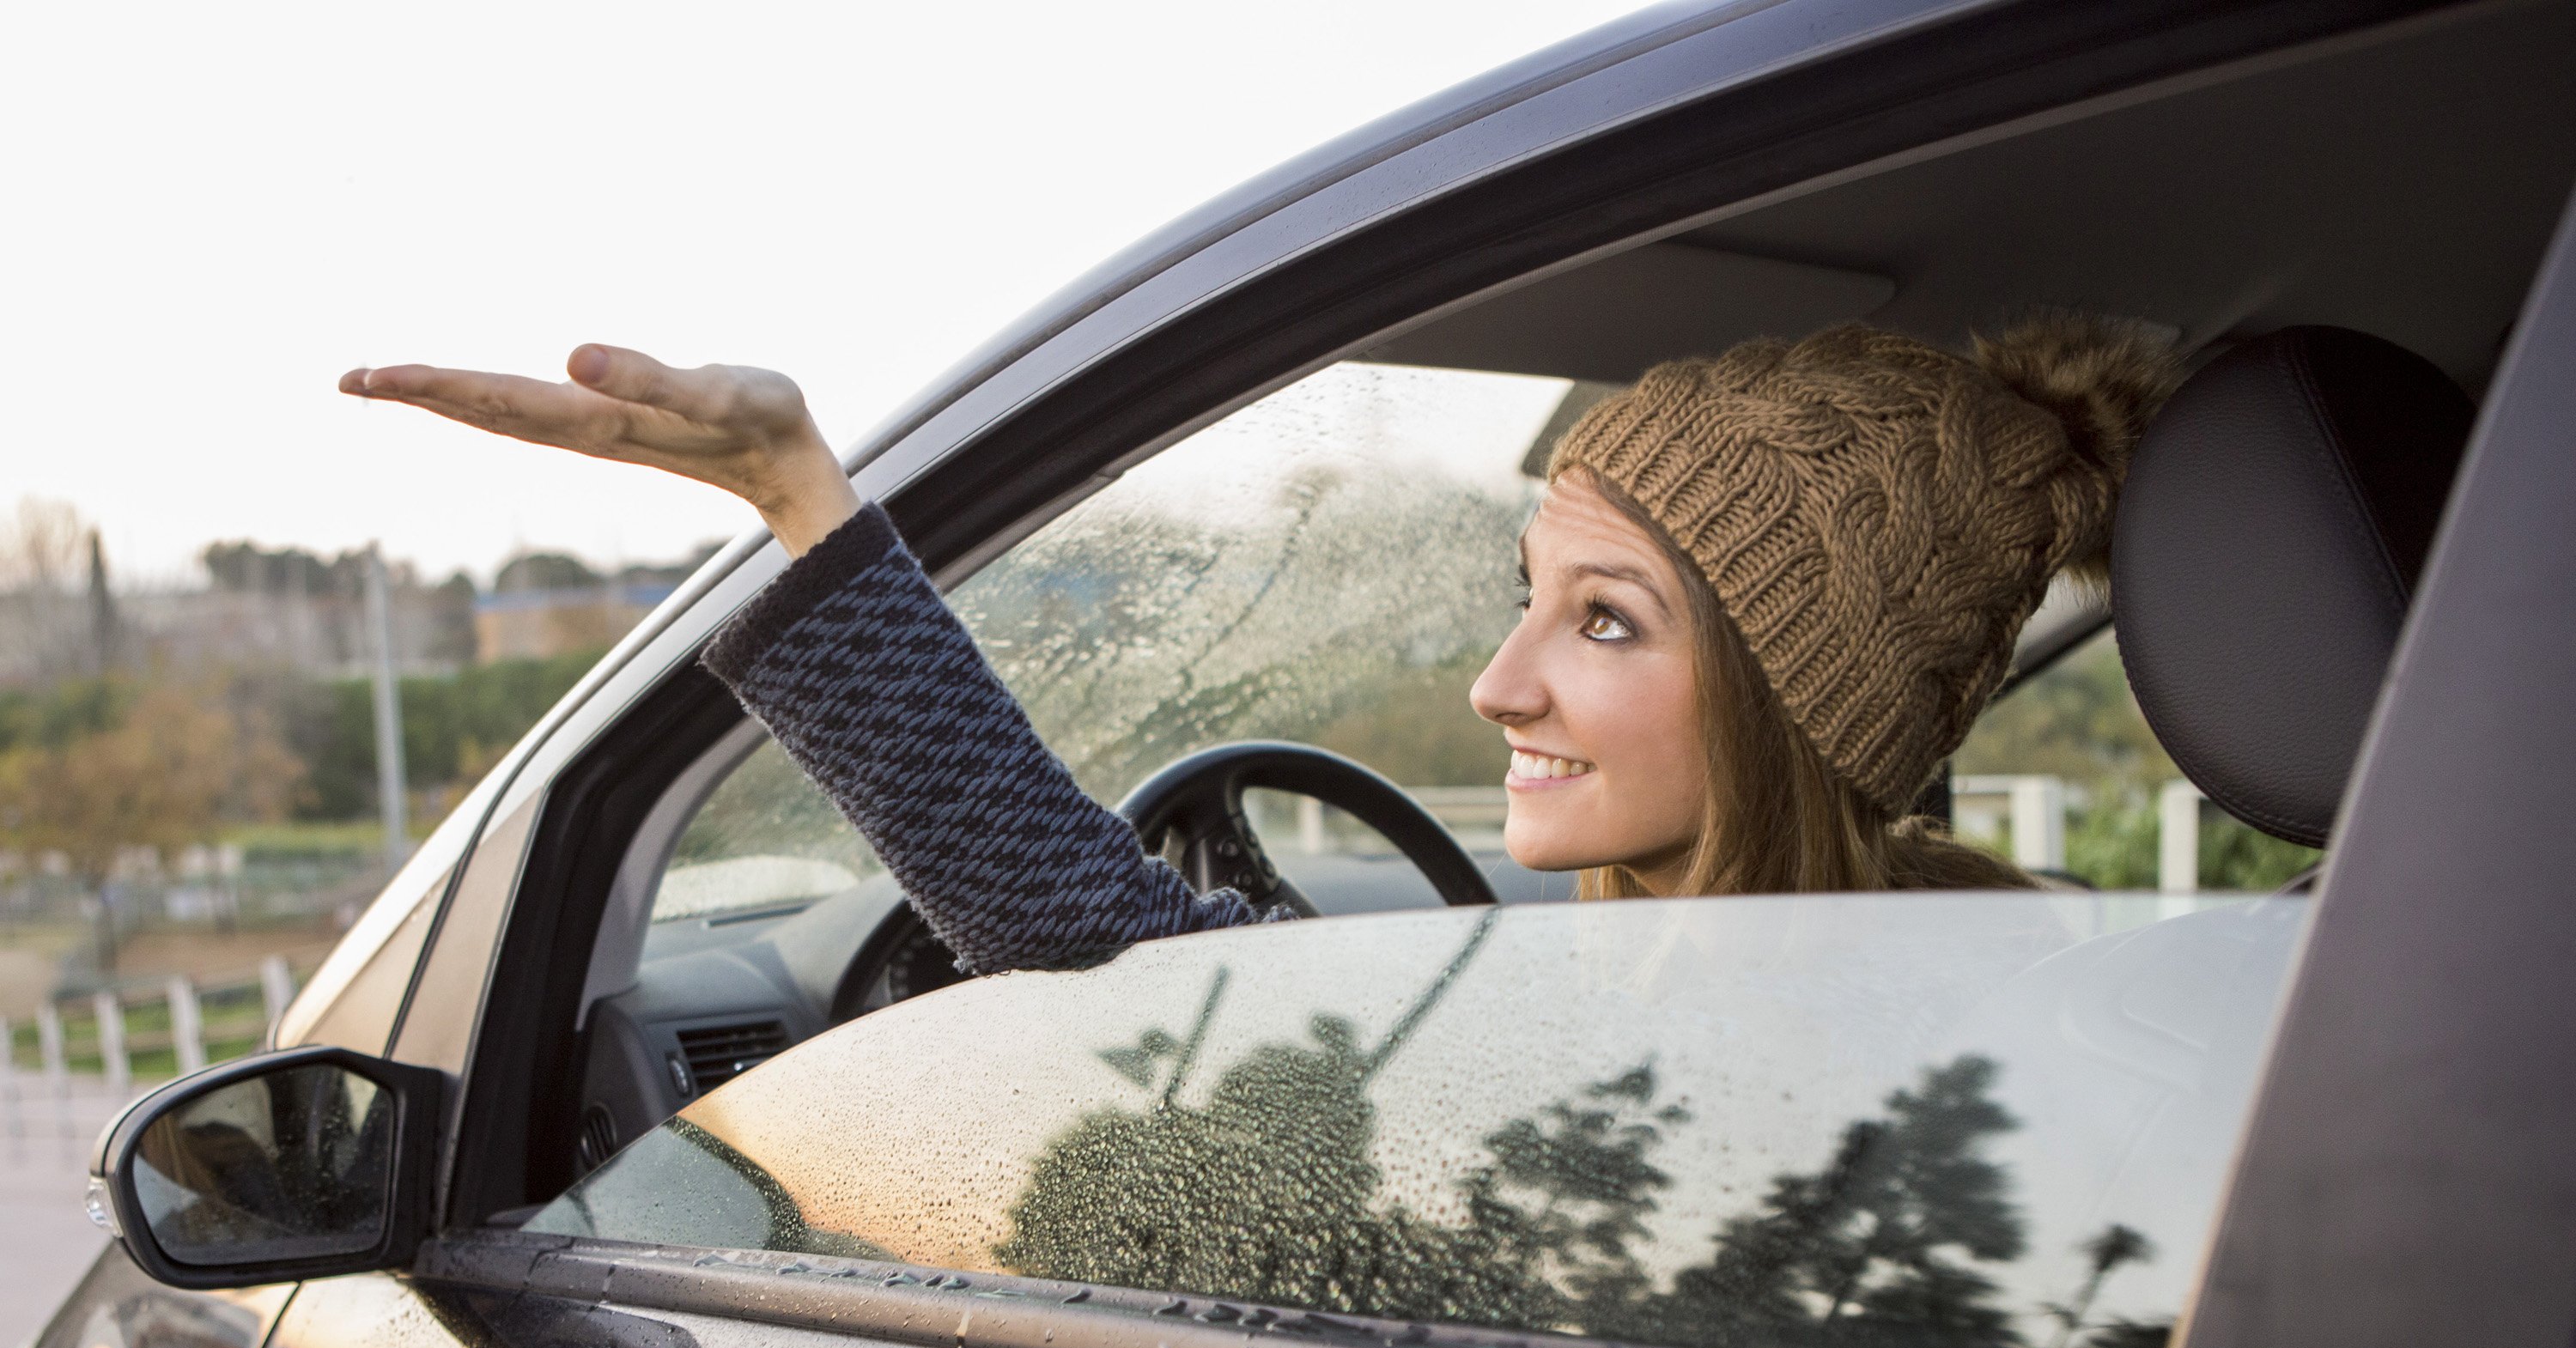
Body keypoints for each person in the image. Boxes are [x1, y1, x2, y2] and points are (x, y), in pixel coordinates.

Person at [340, 313, 2176, 974]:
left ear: (1808, 707)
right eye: (1523, 592)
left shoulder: (1766, 1070)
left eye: (1603, 620)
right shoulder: (1961, 979)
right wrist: (793, 484)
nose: (1498, 682)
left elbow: (1116, 961)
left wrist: (807, 492)